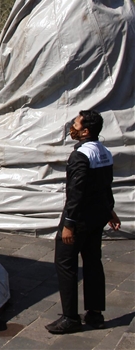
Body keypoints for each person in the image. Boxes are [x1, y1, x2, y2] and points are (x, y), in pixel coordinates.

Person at [46, 110, 120, 334]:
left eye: (75, 124)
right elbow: (105, 186)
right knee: (93, 262)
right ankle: (95, 314)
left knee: (65, 264)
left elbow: (75, 193)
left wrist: (68, 224)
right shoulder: (104, 152)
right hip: (97, 218)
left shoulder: (80, 156)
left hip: (78, 220)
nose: (72, 126)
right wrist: (110, 211)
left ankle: (70, 317)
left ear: (85, 131)